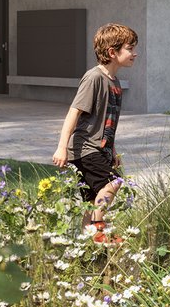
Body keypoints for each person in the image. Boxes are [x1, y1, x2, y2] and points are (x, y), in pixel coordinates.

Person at [51, 22, 136, 243]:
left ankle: (85, 244)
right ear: (112, 52)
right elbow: (74, 112)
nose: (134, 53)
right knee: (114, 182)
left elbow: (108, 122)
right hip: (85, 148)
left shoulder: (114, 81)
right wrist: (62, 148)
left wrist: (113, 151)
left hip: (100, 149)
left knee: (91, 200)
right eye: (130, 48)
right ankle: (100, 231)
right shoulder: (94, 78)